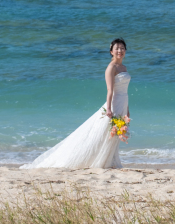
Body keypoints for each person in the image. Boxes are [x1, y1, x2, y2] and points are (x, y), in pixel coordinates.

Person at [21, 38, 131, 169]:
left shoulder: (124, 67)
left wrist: (127, 110)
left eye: (122, 48)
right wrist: (108, 108)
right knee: (104, 134)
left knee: (114, 134)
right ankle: (98, 161)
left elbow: (124, 91)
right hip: (113, 104)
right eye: (117, 48)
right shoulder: (111, 67)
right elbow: (110, 90)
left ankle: (110, 161)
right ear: (111, 51)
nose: (120, 50)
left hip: (123, 103)